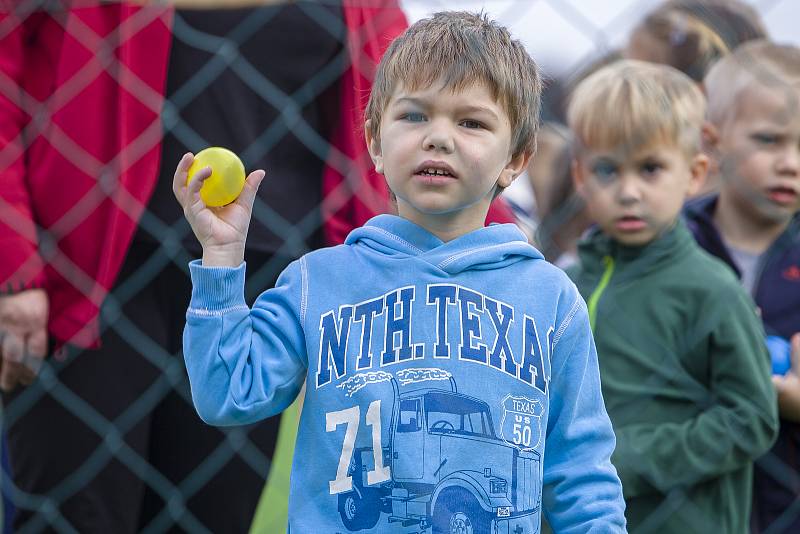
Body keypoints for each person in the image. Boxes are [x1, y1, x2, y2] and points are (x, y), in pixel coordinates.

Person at [176, 10, 626, 533]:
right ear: (374, 141)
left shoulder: (551, 299)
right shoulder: (315, 283)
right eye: (414, 116)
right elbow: (227, 393)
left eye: (472, 122)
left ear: (516, 159)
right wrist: (222, 259)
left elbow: (581, 470)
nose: (438, 138)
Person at [0, 1, 408, 532]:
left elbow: (421, 94)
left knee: (210, 517)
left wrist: (506, 249)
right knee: (76, 515)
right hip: (90, 278)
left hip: (261, 293)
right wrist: (13, 265)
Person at [567, 59, 778, 532]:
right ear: (580, 177)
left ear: (695, 173)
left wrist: (628, 457)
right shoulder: (566, 287)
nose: (628, 191)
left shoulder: (713, 289)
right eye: (607, 169)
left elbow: (752, 419)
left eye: (650, 168)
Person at [685, 40, 800, 533]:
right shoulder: (672, 244)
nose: (791, 162)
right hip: (691, 496)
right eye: (770, 140)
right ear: (714, 142)